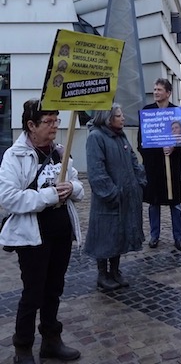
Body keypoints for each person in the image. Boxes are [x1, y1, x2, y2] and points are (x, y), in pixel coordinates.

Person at [0, 99, 84, 363]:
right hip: (32, 237)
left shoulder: (61, 151)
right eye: (48, 122)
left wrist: (72, 189)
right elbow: (8, 197)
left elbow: (77, 183)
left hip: (61, 233)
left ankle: (51, 341)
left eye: (56, 121)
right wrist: (48, 195)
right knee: (32, 293)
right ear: (31, 126)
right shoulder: (15, 156)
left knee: (54, 290)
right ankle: (22, 347)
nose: (54, 127)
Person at [85, 104, 147, 290]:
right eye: (119, 115)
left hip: (126, 197)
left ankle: (115, 271)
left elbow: (133, 161)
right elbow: (97, 172)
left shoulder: (121, 136)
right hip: (108, 201)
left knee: (119, 235)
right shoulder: (96, 137)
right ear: (108, 117)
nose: (123, 118)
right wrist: (111, 193)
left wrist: (139, 182)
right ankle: (102, 274)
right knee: (105, 236)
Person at [138, 78, 181, 251]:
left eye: (159, 89)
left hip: (172, 166)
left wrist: (175, 147)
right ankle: (154, 236)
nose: (156, 92)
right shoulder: (147, 111)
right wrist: (153, 152)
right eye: (155, 89)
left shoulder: (177, 112)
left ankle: (178, 237)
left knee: (175, 203)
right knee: (154, 203)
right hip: (153, 166)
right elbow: (141, 141)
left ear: (168, 93)